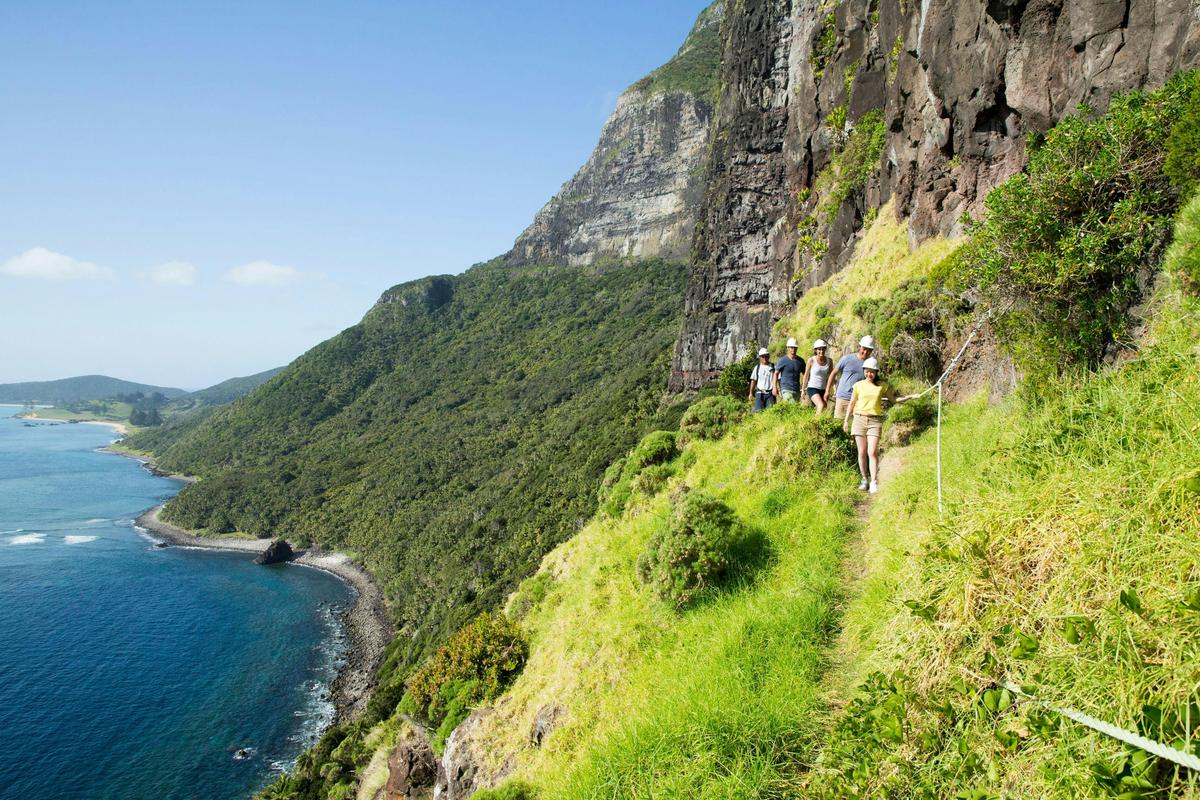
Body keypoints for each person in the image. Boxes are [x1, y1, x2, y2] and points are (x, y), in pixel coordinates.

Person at [842, 357, 915, 493]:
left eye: (872, 372)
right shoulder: (858, 385)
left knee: (872, 452)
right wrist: (846, 420)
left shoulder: (882, 386)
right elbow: (852, 403)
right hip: (858, 419)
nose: (869, 374)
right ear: (864, 371)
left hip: (874, 421)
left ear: (876, 372)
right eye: (867, 371)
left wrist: (911, 397)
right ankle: (864, 479)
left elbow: (894, 399)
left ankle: (874, 481)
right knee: (862, 452)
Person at [827, 335, 875, 420]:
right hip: (843, 397)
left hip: (858, 401)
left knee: (854, 429)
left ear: (871, 350)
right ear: (859, 347)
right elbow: (833, 373)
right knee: (838, 425)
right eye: (864, 349)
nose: (865, 352)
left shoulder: (871, 364)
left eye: (869, 350)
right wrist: (827, 391)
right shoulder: (847, 359)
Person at [801, 338, 833, 412]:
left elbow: (831, 376)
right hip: (812, 388)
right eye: (819, 349)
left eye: (823, 349)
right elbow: (806, 375)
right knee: (820, 405)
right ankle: (816, 423)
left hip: (823, 389)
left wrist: (833, 390)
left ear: (825, 349)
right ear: (815, 350)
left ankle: (816, 421)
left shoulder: (829, 361)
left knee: (824, 409)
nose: (821, 351)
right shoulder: (811, 360)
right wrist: (803, 389)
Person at [747, 347, 776, 413]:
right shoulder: (757, 368)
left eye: (766, 356)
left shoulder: (773, 366)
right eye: (763, 356)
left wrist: (778, 391)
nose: (765, 358)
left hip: (770, 393)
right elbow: (753, 381)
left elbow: (776, 379)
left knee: (771, 412)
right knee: (758, 412)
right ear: (760, 357)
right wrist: (751, 393)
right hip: (759, 393)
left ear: (768, 356)